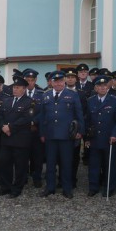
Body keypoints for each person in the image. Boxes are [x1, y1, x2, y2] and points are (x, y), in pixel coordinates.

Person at [39, 70, 85, 199]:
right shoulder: (46, 96)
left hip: (66, 136)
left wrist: (80, 131)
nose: (58, 83)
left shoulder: (72, 95)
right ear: (51, 82)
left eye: (60, 81)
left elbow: (79, 114)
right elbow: (42, 117)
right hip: (50, 136)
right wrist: (42, 133)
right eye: (55, 81)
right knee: (50, 164)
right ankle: (50, 187)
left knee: (66, 164)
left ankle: (67, 188)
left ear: (64, 81)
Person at [84, 76, 116, 198]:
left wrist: (114, 134)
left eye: (104, 86)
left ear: (108, 87)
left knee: (110, 166)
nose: (102, 87)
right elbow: (87, 121)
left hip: (109, 139)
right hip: (95, 139)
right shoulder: (90, 101)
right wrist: (87, 138)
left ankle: (109, 188)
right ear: (95, 88)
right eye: (99, 86)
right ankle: (93, 187)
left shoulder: (114, 100)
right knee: (94, 165)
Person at [0, 76, 34, 198]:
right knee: (4, 163)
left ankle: (17, 188)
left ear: (24, 89)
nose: (15, 89)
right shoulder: (7, 101)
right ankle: (5, 187)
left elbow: (26, 119)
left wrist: (10, 127)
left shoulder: (30, 102)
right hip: (6, 138)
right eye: (14, 87)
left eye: (17, 87)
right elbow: (0, 115)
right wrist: (2, 126)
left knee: (20, 166)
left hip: (20, 139)